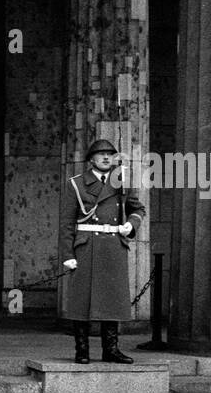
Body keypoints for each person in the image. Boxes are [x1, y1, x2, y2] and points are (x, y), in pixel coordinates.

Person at [59, 138, 146, 364]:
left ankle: (111, 350)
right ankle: (82, 349)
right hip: (87, 245)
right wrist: (68, 255)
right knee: (81, 301)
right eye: (101, 154)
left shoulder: (121, 182)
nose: (107, 157)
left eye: (110, 154)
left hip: (113, 245)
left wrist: (132, 224)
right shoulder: (76, 184)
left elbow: (137, 209)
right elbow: (67, 223)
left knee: (113, 300)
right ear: (91, 160)